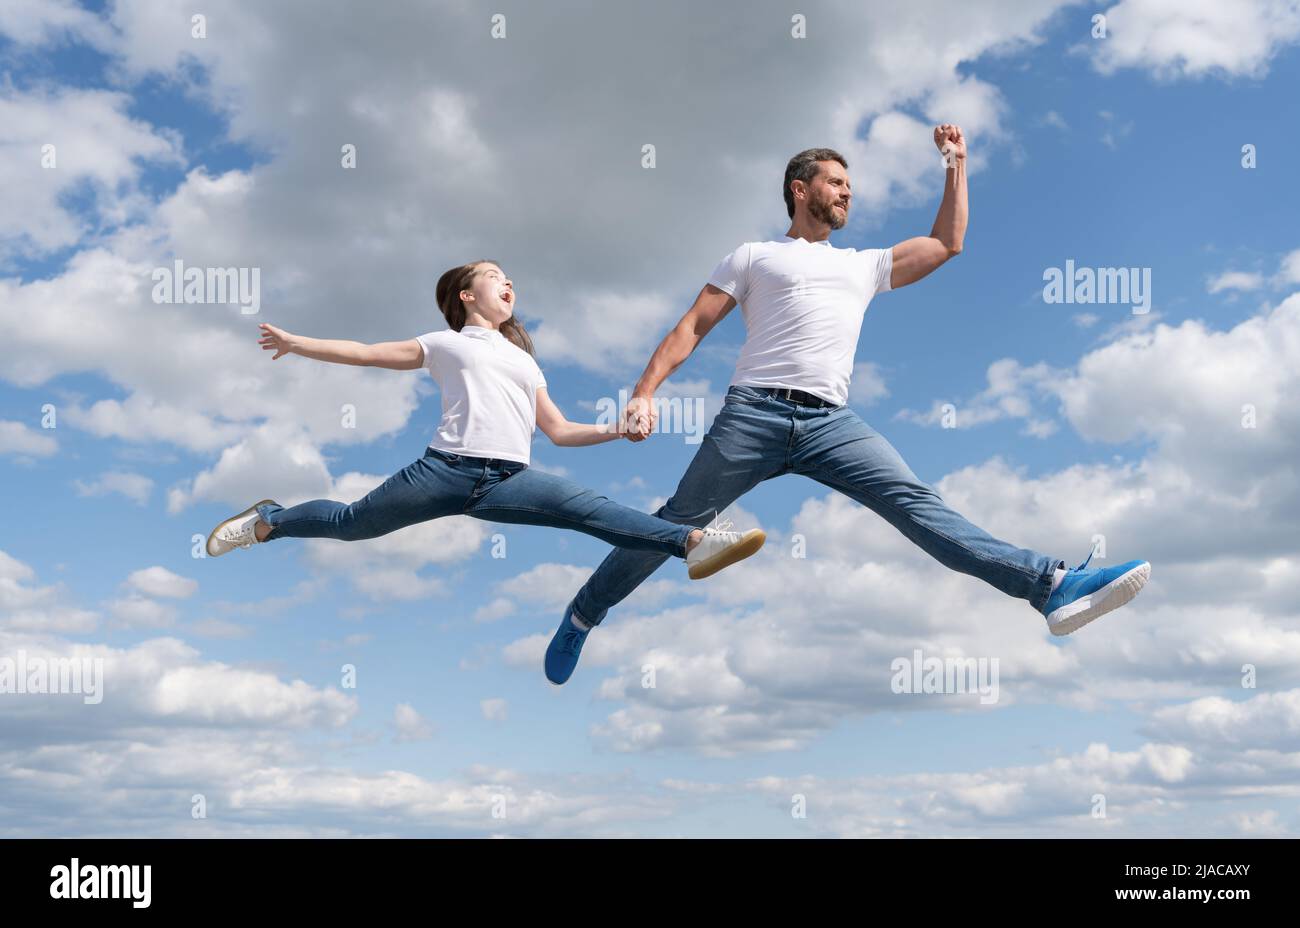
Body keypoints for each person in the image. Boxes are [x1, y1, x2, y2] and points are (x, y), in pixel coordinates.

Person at [545, 125, 1150, 685]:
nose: (846, 194)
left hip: (830, 423)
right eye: (836, 182)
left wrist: (956, 164)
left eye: (850, 188)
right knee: (676, 525)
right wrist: (644, 394)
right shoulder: (754, 256)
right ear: (799, 188)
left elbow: (947, 242)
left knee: (919, 508)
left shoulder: (862, 266)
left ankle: (1051, 586)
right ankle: (582, 615)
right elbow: (690, 329)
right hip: (752, 414)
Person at [204, 260, 768, 607]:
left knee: (591, 509)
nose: (509, 284)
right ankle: (268, 520)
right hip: (443, 470)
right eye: (496, 277)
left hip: (507, 480)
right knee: (354, 525)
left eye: (510, 280)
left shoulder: (524, 361)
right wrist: (298, 342)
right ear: (468, 296)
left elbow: (559, 431)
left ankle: (694, 544)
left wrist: (616, 429)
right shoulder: (447, 343)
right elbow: (369, 354)